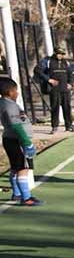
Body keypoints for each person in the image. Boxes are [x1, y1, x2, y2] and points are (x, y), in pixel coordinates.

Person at [1, 77, 42, 206]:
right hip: (17, 140)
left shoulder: (5, 103)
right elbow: (16, 125)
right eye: (15, 90)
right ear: (9, 91)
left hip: (10, 139)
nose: (17, 93)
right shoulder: (9, 105)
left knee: (15, 168)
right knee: (23, 168)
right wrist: (27, 143)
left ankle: (17, 194)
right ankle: (26, 197)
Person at [42, 47, 74, 134]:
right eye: (59, 53)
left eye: (62, 54)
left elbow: (70, 74)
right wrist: (49, 80)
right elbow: (37, 70)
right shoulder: (48, 61)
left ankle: (69, 126)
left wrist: (71, 84)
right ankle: (54, 126)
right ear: (55, 53)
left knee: (67, 107)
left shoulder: (66, 63)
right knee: (55, 107)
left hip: (65, 89)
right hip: (54, 89)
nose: (60, 55)